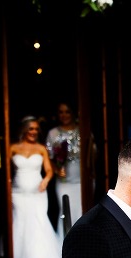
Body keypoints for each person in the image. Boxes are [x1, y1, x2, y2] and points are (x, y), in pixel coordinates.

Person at [10, 116, 63, 258]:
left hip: (38, 192)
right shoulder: (12, 148)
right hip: (18, 193)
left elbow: (48, 170)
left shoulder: (41, 148)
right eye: (30, 129)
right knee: (21, 222)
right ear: (24, 130)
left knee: (38, 221)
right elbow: (4, 170)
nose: (33, 132)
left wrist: (46, 180)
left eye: (36, 129)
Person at [46, 101, 86, 239]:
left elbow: (92, 155)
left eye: (67, 111)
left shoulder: (83, 131)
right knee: (66, 210)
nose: (64, 115)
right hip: (64, 181)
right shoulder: (53, 133)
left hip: (82, 179)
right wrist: (57, 170)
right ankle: (65, 244)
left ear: (73, 113)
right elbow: (48, 158)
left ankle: (82, 244)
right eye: (61, 112)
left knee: (82, 211)